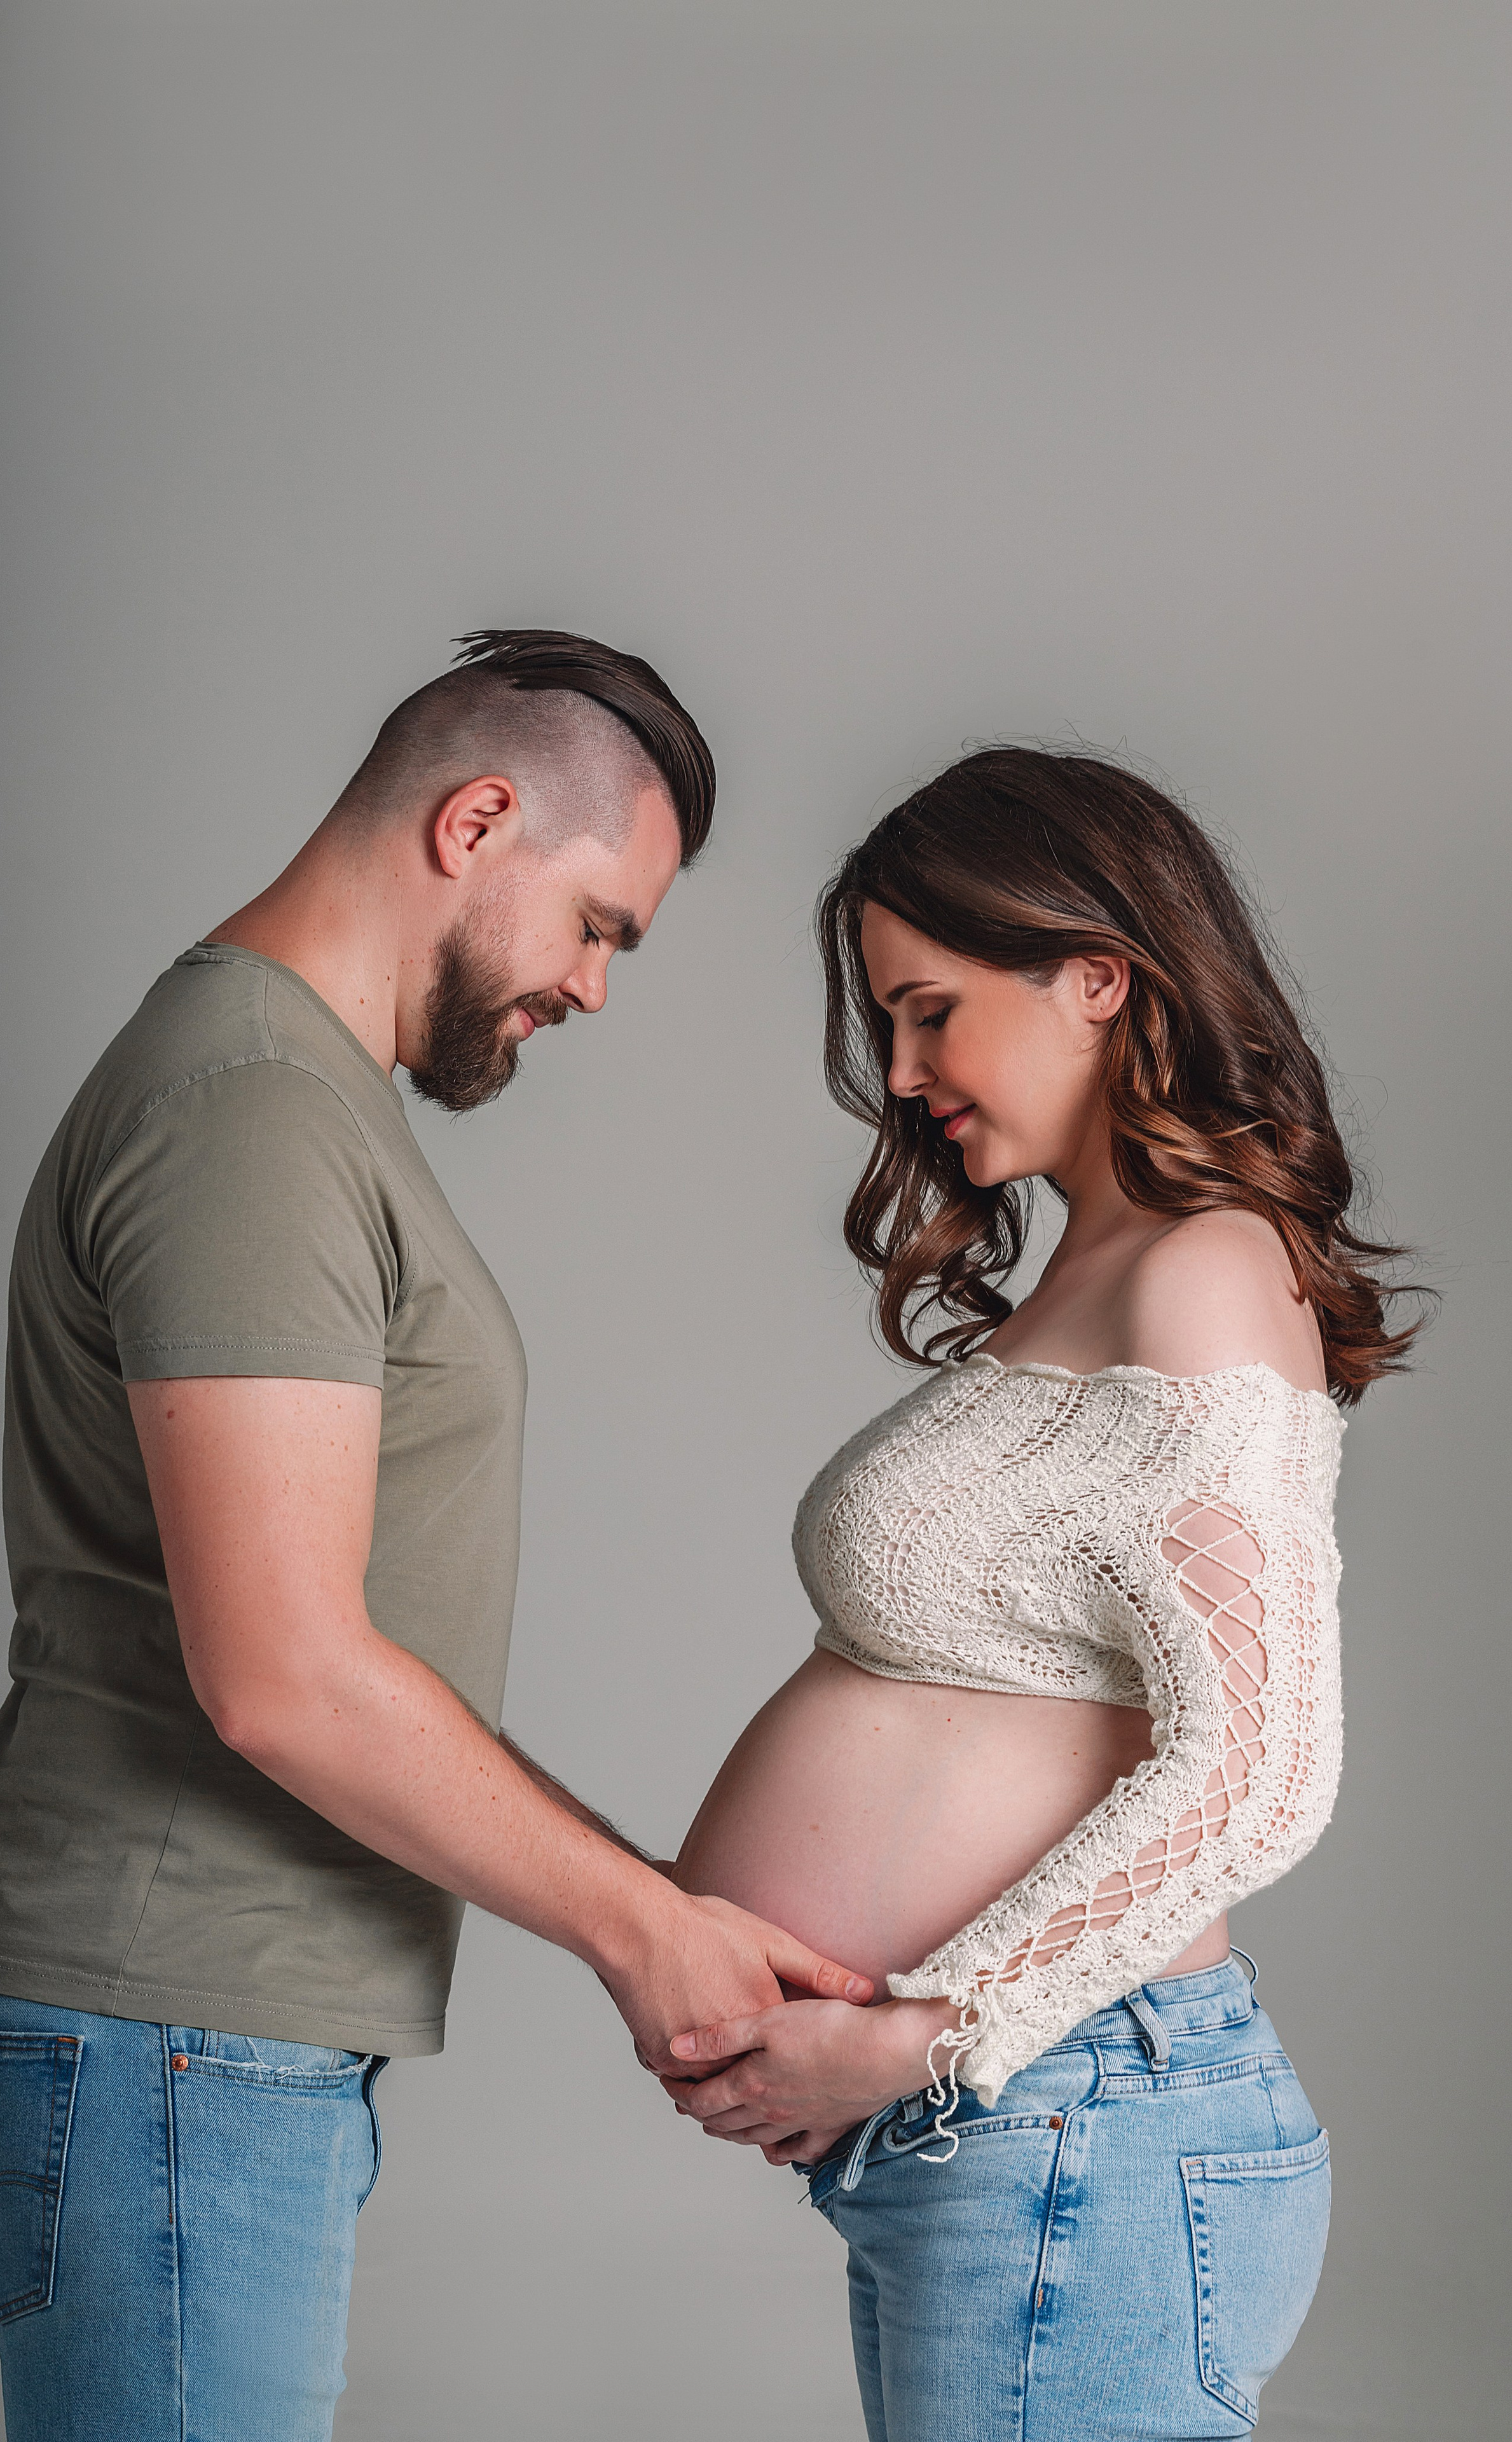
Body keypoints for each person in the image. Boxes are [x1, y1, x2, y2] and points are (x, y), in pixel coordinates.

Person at [0, 628, 872, 2442]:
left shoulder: (290, 1092)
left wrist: (670, 1904)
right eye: (599, 923)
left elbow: (354, 1654)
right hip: (165, 2032)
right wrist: (636, 1939)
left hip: (189, 2033)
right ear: (480, 820)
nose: (597, 989)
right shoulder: (255, 1119)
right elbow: (282, 1675)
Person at [664, 747, 1421, 2441]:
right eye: (889, 1025)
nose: (906, 1071)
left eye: (933, 1011)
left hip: (1074, 2120)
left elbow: (1263, 1766)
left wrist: (932, 2036)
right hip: (1029, 2136)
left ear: (1097, 976)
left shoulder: (1205, 1270)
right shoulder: (1097, 1268)